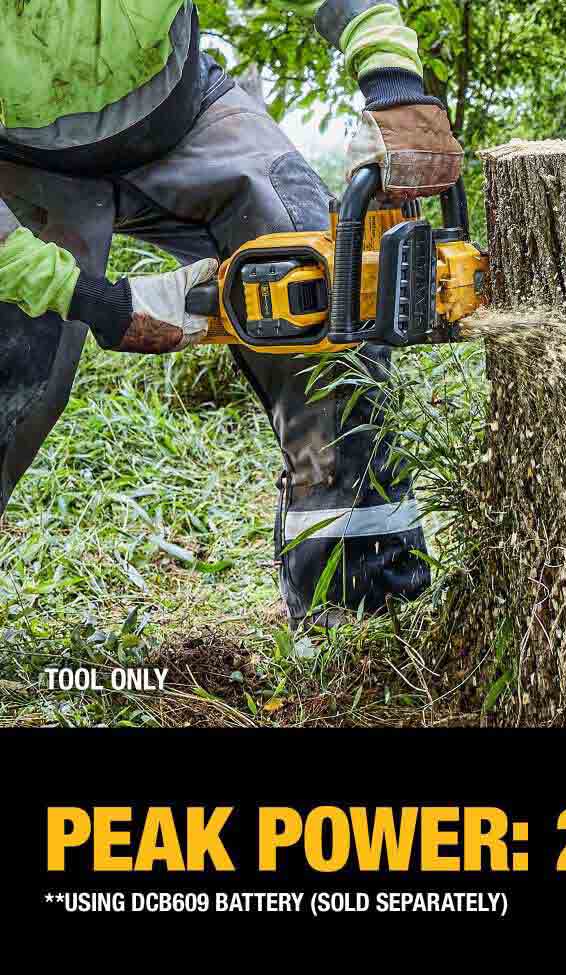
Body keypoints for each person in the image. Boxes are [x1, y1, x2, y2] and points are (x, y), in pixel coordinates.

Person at [0, 1, 463, 626]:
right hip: (19, 164)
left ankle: (359, 605)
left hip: (184, 112)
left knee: (323, 289)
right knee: (14, 360)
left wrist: (393, 80)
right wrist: (89, 299)